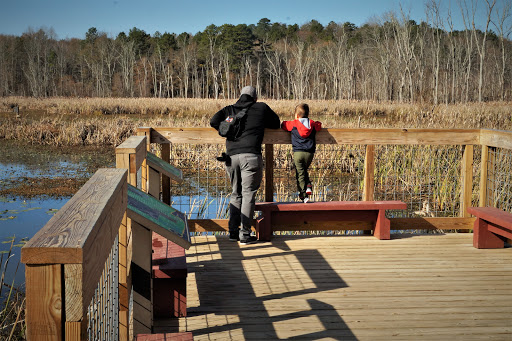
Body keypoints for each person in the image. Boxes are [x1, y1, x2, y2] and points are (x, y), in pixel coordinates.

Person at [210, 86, 280, 244]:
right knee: (248, 194)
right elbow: (276, 123)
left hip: (231, 157)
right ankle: (245, 234)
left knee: (236, 194)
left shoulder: (229, 109)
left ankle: (233, 233)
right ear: (255, 98)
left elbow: (213, 121)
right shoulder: (261, 107)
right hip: (251, 156)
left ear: (240, 96)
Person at [281, 103, 322, 203]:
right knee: (303, 171)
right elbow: (319, 126)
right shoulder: (311, 123)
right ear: (308, 115)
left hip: (298, 153)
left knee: (300, 174)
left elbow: (283, 125)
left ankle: (304, 196)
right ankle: (308, 186)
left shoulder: (294, 123)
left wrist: (284, 123)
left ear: (297, 115)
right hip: (310, 153)